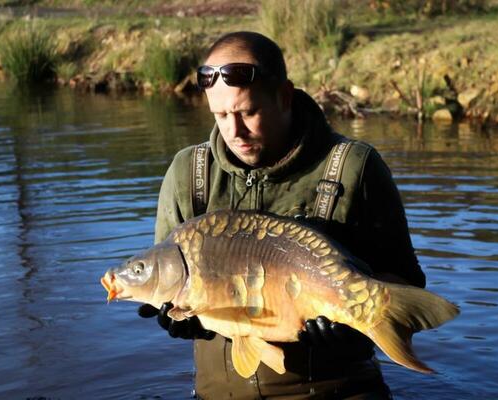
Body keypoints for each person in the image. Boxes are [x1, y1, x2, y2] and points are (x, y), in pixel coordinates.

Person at [138, 31, 425, 399]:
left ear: (285, 96)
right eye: (220, 115)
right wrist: (175, 316)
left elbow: (407, 284)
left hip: (337, 390)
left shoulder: (354, 166)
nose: (235, 131)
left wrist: (350, 330)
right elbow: (165, 273)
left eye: (248, 112)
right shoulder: (188, 172)